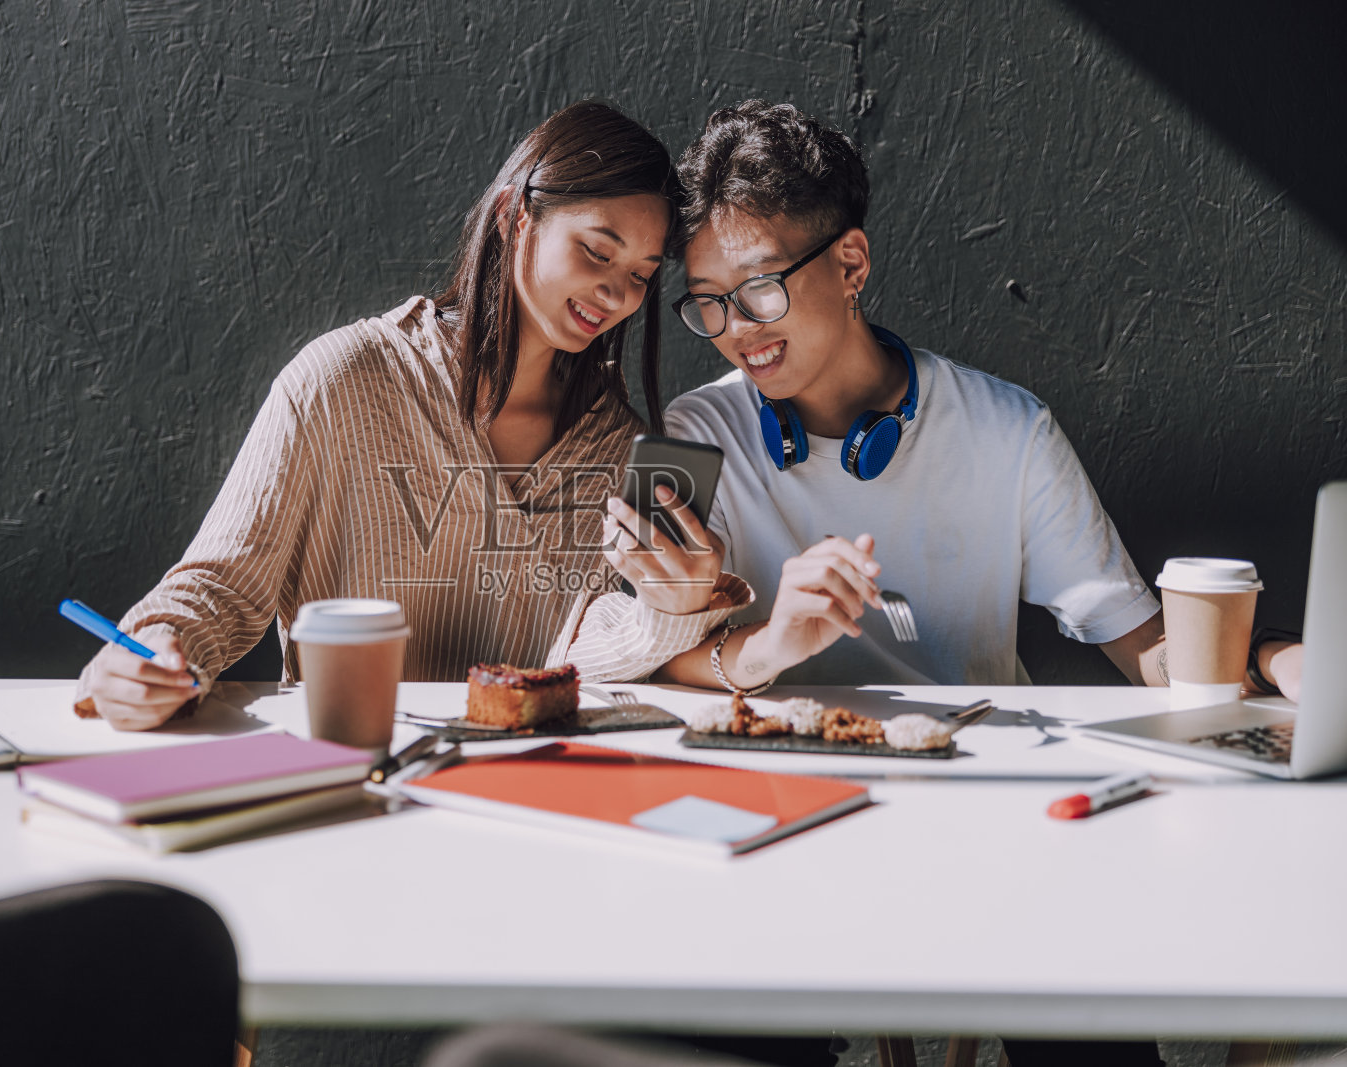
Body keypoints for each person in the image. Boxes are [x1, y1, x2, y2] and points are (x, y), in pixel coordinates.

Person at [576, 99, 1303, 707]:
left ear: (850, 263)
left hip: (978, 793)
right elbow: (647, 662)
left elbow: (1144, 649)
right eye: (708, 304)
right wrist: (772, 644)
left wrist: (1274, 659)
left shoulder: (1010, 428)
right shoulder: (691, 434)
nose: (736, 330)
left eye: (761, 289)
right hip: (779, 785)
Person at [76, 100, 731, 729]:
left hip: (531, 790)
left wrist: (670, 610)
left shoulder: (622, 443)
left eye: (643, 275)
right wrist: (149, 650)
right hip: (352, 771)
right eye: (597, 250)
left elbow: (587, 651)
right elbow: (218, 587)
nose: (618, 293)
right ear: (513, 216)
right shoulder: (340, 379)